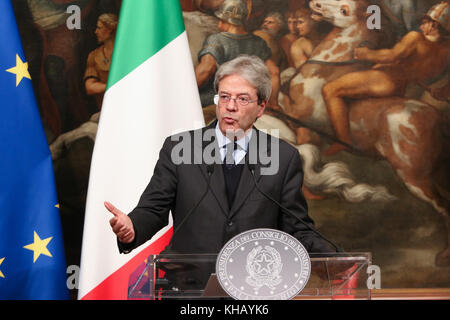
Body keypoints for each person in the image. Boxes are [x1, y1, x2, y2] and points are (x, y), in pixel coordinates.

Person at [105, 55, 335, 257]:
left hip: (254, 291)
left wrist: (334, 259)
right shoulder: (180, 148)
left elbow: (297, 228)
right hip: (191, 290)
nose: (230, 107)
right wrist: (132, 227)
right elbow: (153, 209)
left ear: (261, 107)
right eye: (224, 97)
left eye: (242, 99)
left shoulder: (283, 157)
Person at [322, 1, 450, 156]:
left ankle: (343, 141)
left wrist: (367, 53)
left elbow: (392, 56)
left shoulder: (415, 38)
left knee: (330, 89)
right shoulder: (446, 51)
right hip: (406, 88)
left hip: (387, 79)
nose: (421, 26)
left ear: (434, 25)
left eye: (424, 22)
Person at [194, 0, 280, 110]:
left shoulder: (216, 40)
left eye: (221, 20)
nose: (219, 25)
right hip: (248, 99)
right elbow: (274, 72)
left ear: (226, 20)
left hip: (218, 99)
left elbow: (206, 69)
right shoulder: (259, 42)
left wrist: (184, 92)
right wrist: (273, 103)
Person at [83, 13, 118, 109]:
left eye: (99, 28)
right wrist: (114, 85)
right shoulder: (94, 56)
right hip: (105, 110)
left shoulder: (127, 53)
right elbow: (89, 87)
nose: (96, 31)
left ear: (110, 30)